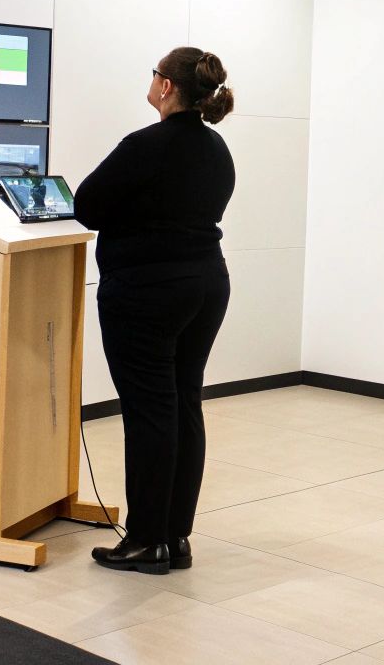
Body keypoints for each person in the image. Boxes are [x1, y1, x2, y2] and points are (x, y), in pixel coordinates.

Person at [75, 47, 236, 575]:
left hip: (147, 291)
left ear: (166, 87)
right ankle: (174, 536)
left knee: (149, 411)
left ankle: (145, 540)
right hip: (206, 285)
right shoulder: (217, 149)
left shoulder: (146, 145)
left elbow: (87, 205)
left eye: (154, 75)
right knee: (184, 402)